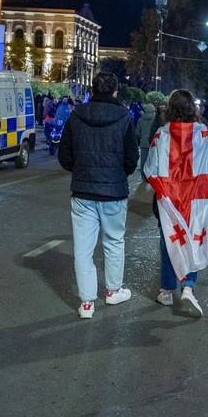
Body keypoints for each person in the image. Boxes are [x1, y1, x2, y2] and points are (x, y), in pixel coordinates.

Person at [57, 71, 138, 318]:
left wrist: (81, 171)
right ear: (115, 91)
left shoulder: (76, 116)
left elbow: (65, 157)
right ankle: (113, 292)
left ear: (92, 89)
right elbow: (131, 159)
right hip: (114, 191)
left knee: (83, 248)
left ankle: (87, 304)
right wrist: (116, 174)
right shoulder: (125, 118)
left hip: (83, 192)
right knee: (114, 242)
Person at [143, 89, 208, 318]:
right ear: (193, 108)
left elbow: (149, 169)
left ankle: (167, 291)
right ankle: (188, 287)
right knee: (192, 240)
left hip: (168, 201)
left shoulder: (162, 134)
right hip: (196, 201)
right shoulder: (206, 135)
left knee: (169, 241)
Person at [137, 101, 157, 179]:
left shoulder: (140, 119)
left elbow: (137, 132)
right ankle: (151, 178)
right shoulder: (155, 119)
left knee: (143, 161)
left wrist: (142, 137)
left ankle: (143, 177)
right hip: (153, 143)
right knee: (152, 161)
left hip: (144, 143)